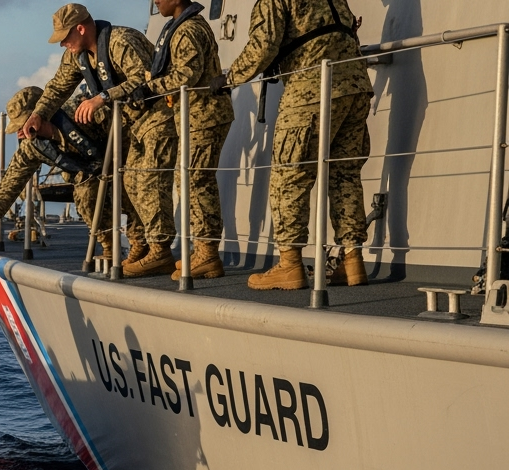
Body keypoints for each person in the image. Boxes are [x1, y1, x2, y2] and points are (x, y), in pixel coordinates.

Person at [18, 3, 178, 278]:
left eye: (65, 38)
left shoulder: (121, 42)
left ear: (81, 29)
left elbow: (145, 80)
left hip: (158, 116)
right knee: (129, 184)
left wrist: (102, 97)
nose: (63, 45)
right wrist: (37, 115)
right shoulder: (77, 55)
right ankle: (141, 247)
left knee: (149, 182)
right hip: (129, 125)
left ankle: (161, 251)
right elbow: (58, 87)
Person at [220, 0, 371, 289]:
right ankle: (353, 262)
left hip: (311, 88)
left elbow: (262, 47)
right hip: (356, 86)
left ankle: (289, 265)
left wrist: (228, 79)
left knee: (289, 176)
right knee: (345, 175)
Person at [0, 87, 138, 263]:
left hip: (127, 161)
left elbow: (131, 133)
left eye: (23, 124)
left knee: (134, 187)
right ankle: (110, 247)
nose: (20, 133)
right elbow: (4, 194)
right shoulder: (32, 148)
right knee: (85, 198)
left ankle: (144, 245)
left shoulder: (82, 113)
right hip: (91, 174)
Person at [146, 0, 233, 280]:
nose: (156, 0)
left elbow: (187, 74)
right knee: (189, 181)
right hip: (196, 116)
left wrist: (147, 89)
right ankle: (201, 251)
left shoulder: (187, 29)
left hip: (204, 115)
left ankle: (207, 254)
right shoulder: (184, 26)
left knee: (197, 181)